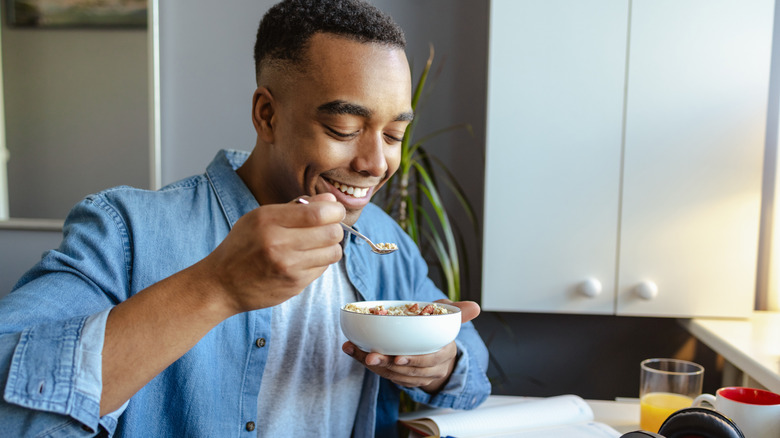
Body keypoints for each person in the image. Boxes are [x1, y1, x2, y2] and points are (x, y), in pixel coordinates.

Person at [0, 0, 491, 436]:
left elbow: (470, 362)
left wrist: (440, 363)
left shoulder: (384, 240)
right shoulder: (127, 230)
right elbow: (9, 401)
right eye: (344, 128)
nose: (376, 163)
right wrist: (216, 287)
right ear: (267, 115)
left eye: (392, 135)